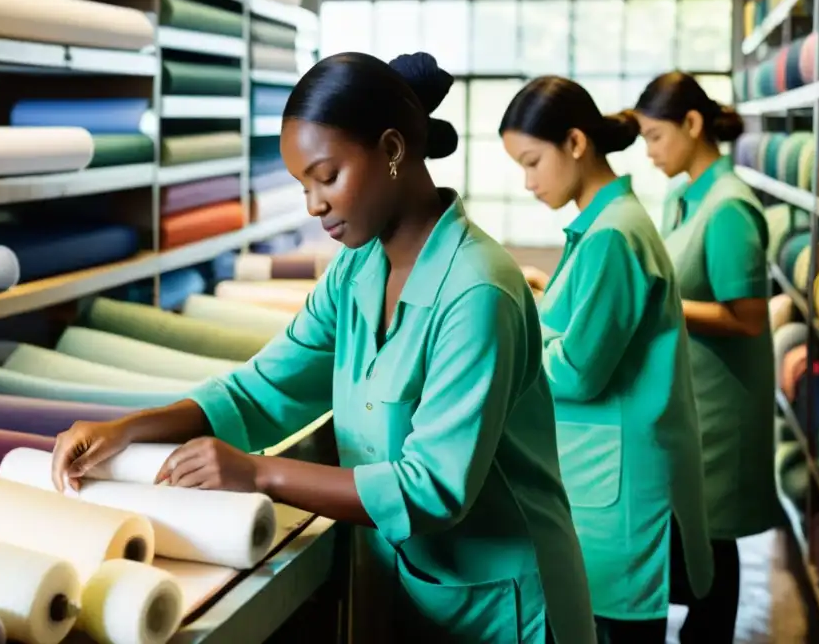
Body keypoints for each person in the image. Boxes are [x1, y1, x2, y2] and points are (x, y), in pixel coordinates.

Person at [52, 52, 597, 643]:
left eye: (326, 176)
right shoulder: (357, 270)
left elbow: (431, 490)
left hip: (510, 607)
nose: (313, 205)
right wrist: (132, 428)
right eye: (302, 185)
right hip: (420, 587)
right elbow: (264, 389)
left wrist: (259, 474)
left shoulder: (477, 290)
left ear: (391, 150)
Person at [499, 76, 714, 643]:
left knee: (615, 630)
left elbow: (576, 370)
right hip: (607, 466)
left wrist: (502, 350)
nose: (528, 182)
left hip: (616, 480)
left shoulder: (611, 237)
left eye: (532, 162)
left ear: (574, 143)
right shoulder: (605, 226)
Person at [634, 71, 778, 643]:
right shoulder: (683, 197)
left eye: (655, 137)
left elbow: (747, 318)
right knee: (692, 531)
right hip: (692, 391)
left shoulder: (728, 208)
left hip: (723, 400)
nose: (649, 152)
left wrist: (657, 303)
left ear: (693, 125)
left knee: (712, 532)